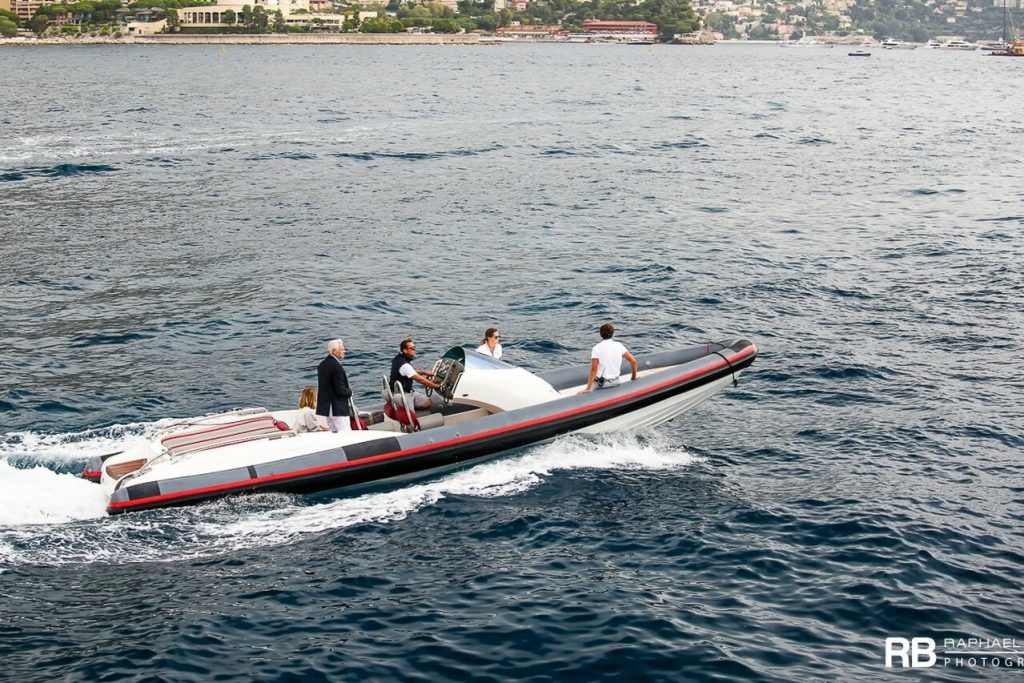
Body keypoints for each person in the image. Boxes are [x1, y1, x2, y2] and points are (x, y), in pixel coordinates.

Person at [580, 323, 638, 394]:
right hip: (616, 382)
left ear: (600, 334)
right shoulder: (619, 345)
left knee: (580, 393)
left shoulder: (596, 348)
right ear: (612, 333)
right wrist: (633, 377)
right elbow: (633, 361)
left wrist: (588, 388)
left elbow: (594, 369)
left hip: (602, 384)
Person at [389, 338, 441, 411]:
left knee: (427, 403)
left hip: (405, 390)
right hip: (404, 394)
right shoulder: (404, 365)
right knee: (410, 417)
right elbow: (420, 380)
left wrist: (424, 372)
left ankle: (410, 406)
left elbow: (410, 372)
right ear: (405, 350)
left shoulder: (398, 358)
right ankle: (407, 411)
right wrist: (435, 386)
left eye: (415, 347)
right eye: (412, 348)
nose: (414, 350)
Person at [316, 338, 352, 432]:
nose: (344, 351)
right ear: (334, 351)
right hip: (337, 407)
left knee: (332, 431)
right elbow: (340, 390)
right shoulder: (336, 367)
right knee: (345, 432)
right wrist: (349, 392)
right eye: (341, 349)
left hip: (328, 407)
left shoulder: (322, 364)